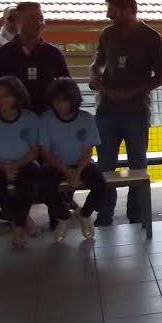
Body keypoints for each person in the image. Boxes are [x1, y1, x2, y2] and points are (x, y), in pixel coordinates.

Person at [90, 0, 162, 226]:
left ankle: (137, 213)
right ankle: (104, 214)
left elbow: (161, 77)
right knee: (105, 163)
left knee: (137, 164)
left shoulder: (151, 37)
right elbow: (98, 63)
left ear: (129, 10)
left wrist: (132, 92)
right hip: (107, 108)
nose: (108, 15)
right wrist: (95, 77)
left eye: (112, 11)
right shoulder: (107, 35)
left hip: (136, 110)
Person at [38, 77, 105, 242]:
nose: (59, 105)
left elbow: (88, 151)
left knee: (101, 186)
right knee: (43, 188)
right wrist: (66, 170)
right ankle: (63, 216)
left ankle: (84, 214)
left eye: (63, 100)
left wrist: (77, 171)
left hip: (82, 163)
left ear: (73, 100)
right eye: (55, 100)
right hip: (55, 164)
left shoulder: (86, 119)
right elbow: (45, 152)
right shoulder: (46, 119)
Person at [0, 1, 70, 113]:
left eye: (41, 18)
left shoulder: (54, 54)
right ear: (18, 21)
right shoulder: (1, 54)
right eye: (31, 18)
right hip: (12, 118)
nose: (38, 22)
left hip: (46, 117)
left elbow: (67, 88)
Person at [0, 77, 41, 248]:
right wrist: (3, 167)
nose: (2, 100)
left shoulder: (29, 118)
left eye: (6, 95)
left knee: (28, 185)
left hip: (24, 164)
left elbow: (35, 150)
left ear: (17, 96)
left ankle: (18, 230)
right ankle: (23, 219)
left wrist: (16, 165)